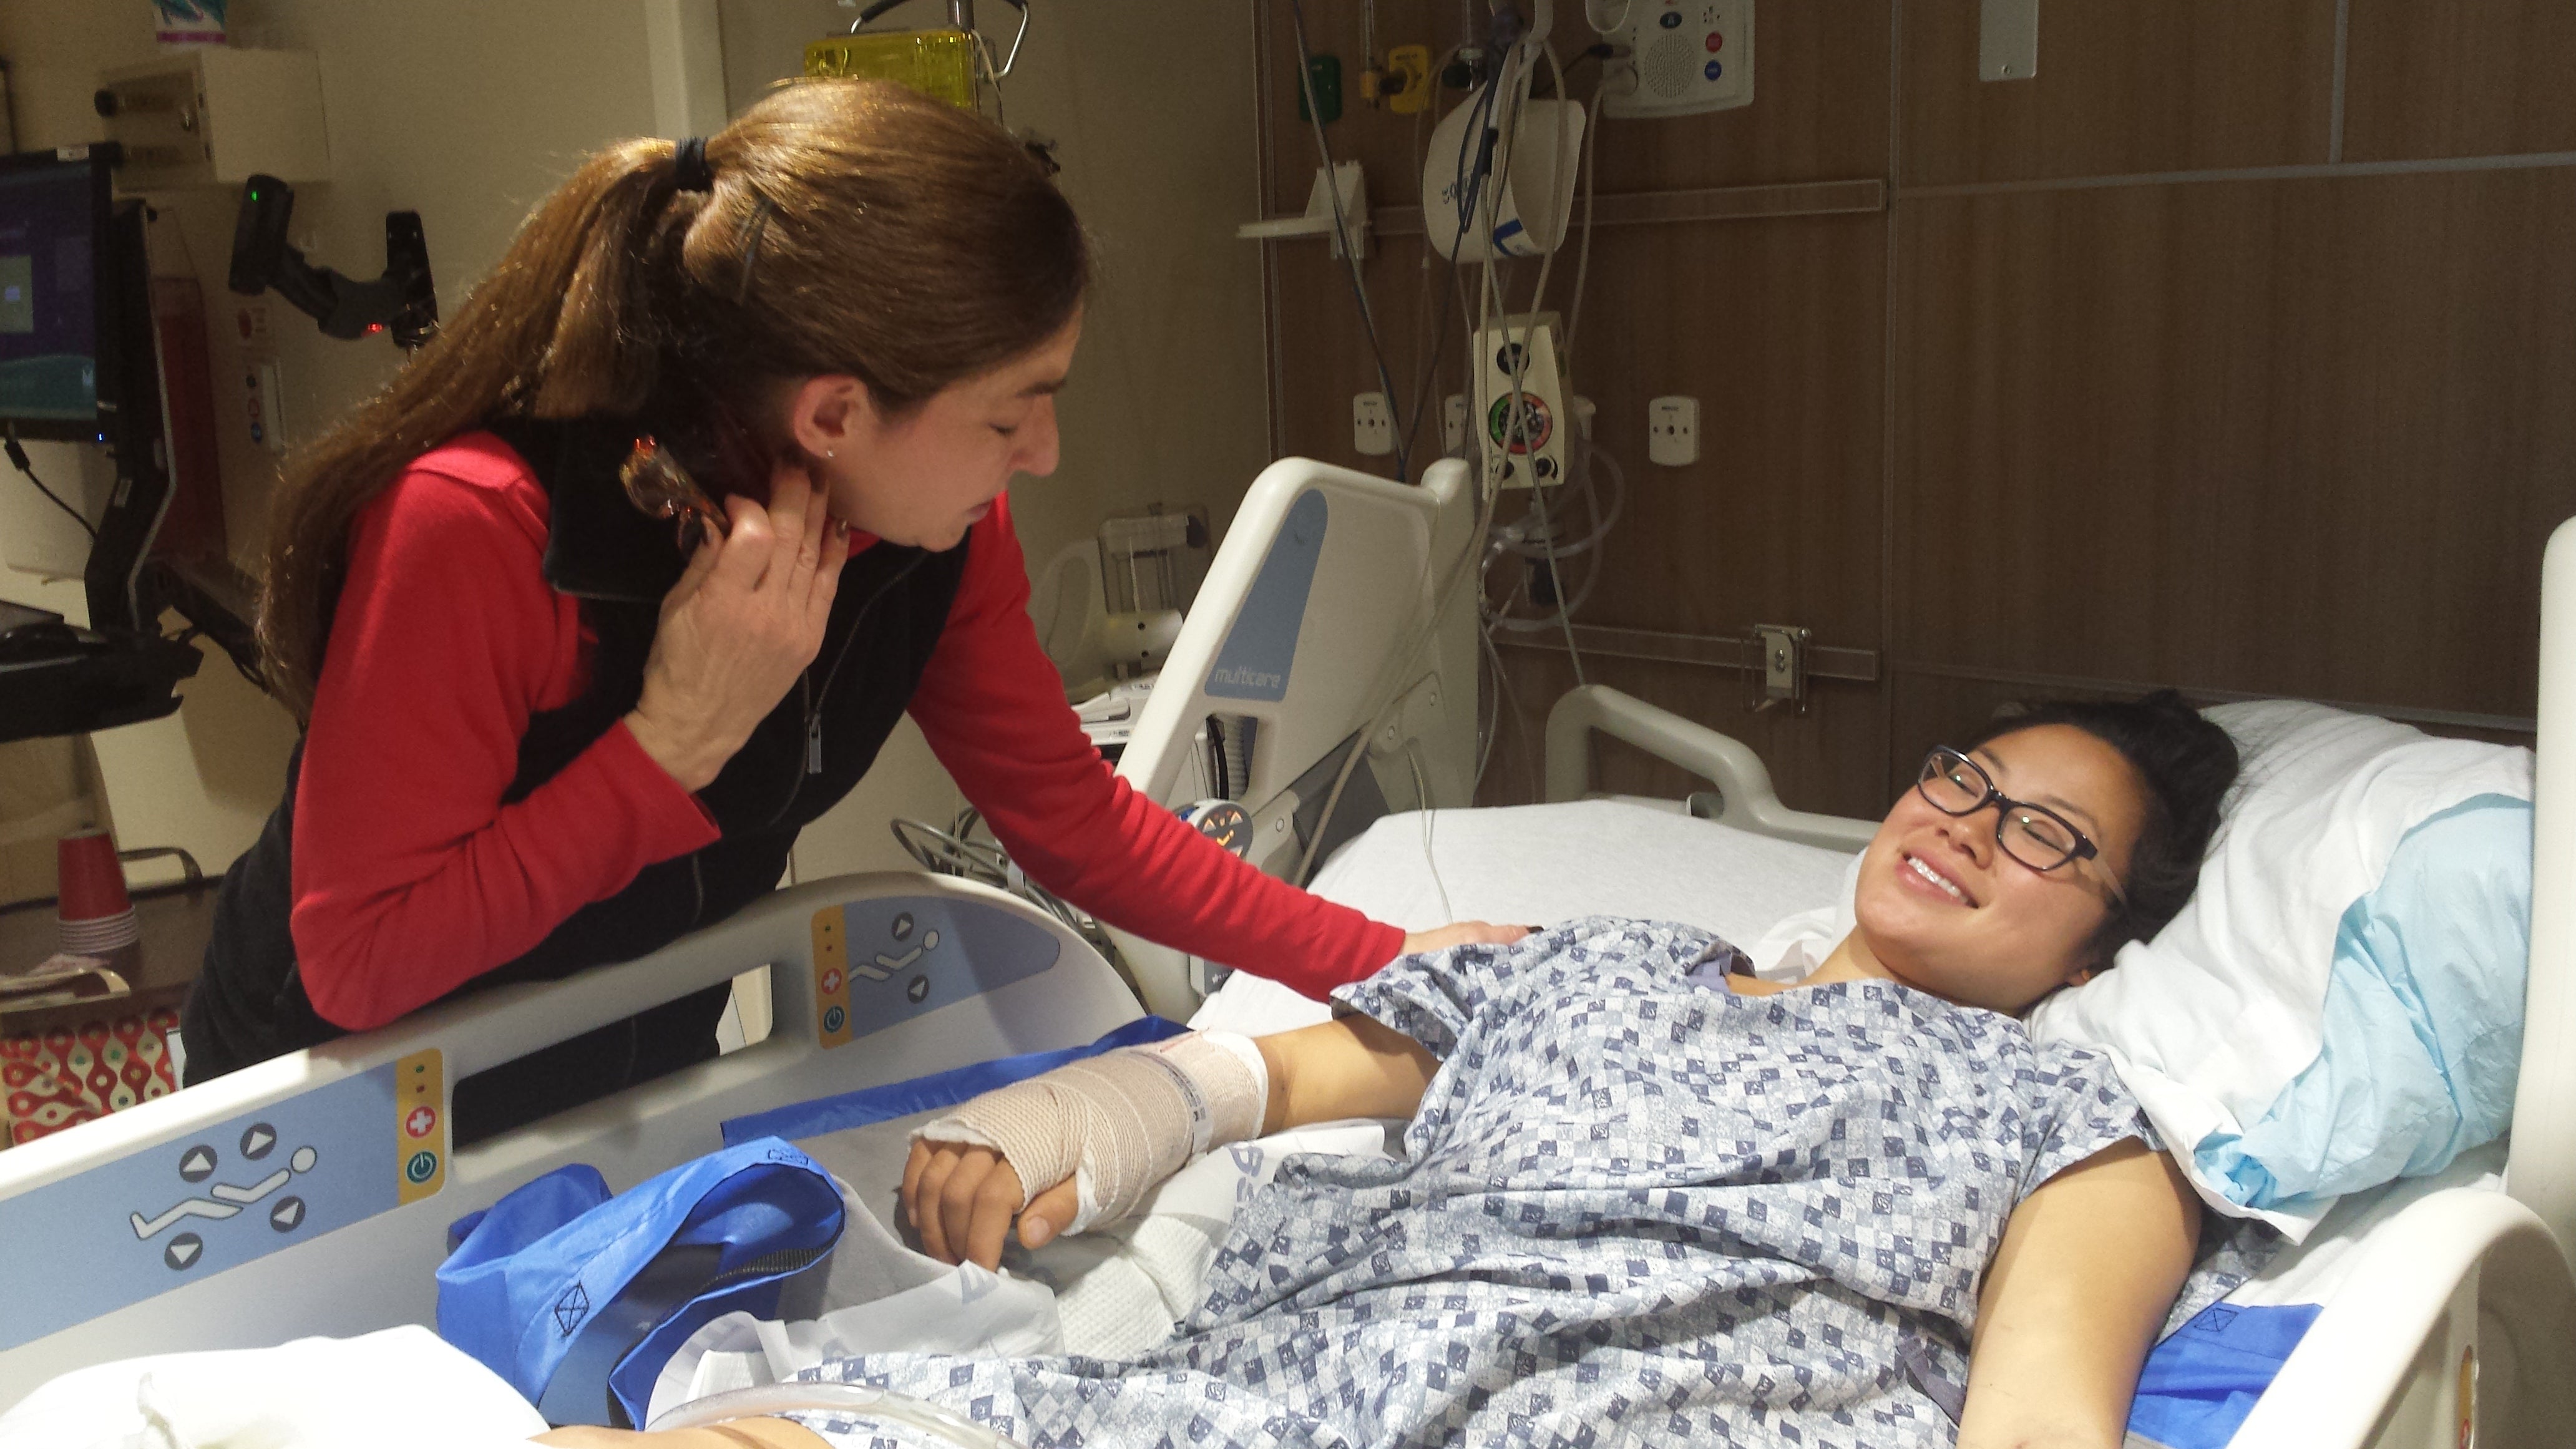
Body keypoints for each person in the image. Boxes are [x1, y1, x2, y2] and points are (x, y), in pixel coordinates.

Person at [179, 80, 1511, 1131]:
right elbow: (359, 960)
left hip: (621, 1076)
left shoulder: (931, 526)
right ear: (833, 414)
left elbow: (1074, 818)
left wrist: (1391, 960)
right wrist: (672, 748)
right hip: (326, 1117)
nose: (1042, 454)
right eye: (1013, 411)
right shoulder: (480, 529)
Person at [531, 691, 2238, 1448]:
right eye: (1965, 775)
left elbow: (2032, 1426)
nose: (1967, 828)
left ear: (2099, 946)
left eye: (2047, 838)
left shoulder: (2067, 1119)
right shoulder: (1592, 961)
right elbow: (1249, 1082)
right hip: (1279, 1401)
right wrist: (1048, 1126)